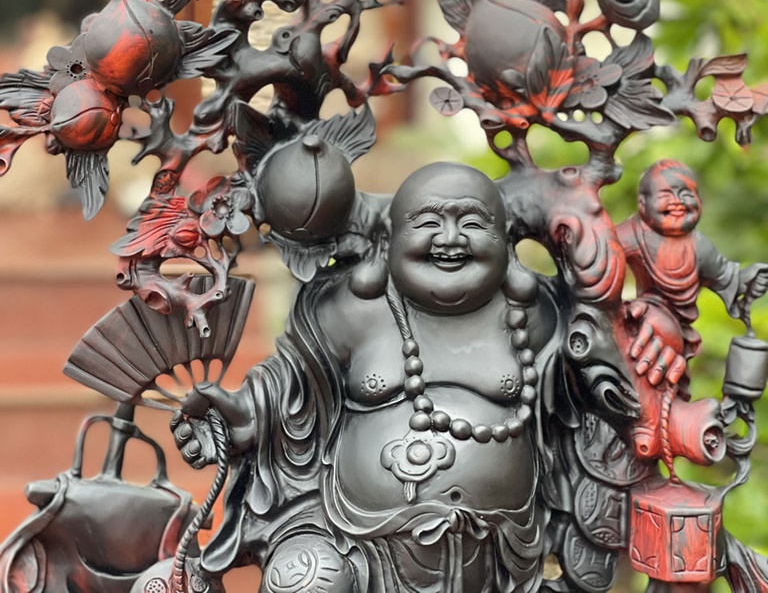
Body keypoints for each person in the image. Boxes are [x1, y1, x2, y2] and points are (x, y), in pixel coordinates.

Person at [172, 162, 672, 593]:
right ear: (388, 239)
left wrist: (656, 333)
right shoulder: (348, 310)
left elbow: (605, 369)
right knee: (305, 581)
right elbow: (288, 390)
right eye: (429, 222)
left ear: (505, 240)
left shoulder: (538, 314)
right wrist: (239, 418)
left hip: (497, 551)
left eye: (472, 223)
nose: (450, 238)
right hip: (351, 541)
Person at [617, 160, 768, 372]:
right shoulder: (633, 234)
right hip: (640, 321)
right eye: (666, 195)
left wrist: (748, 278)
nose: (678, 202)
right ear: (642, 204)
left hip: (679, 335)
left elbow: (725, 277)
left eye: (686, 194)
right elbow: (603, 255)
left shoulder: (698, 246)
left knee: (669, 373)